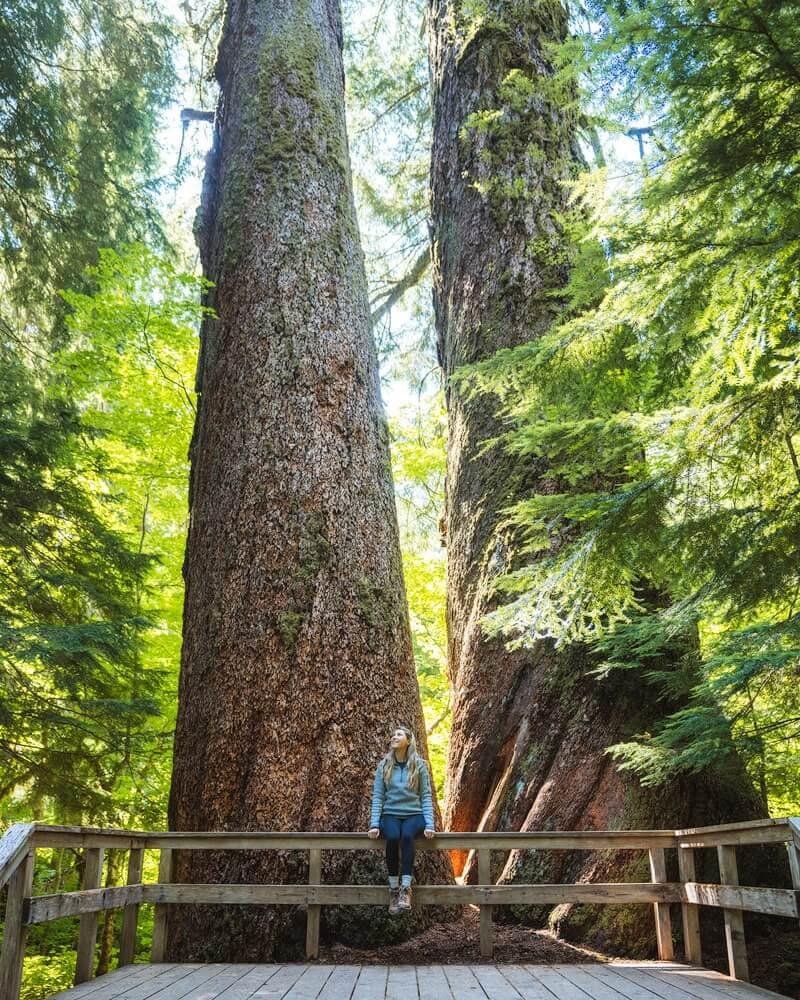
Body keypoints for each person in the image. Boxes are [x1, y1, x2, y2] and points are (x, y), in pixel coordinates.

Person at [368, 725, 435, 914]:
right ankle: (393, 889)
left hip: (414, 815)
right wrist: (374, 824)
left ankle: (406, 889)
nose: (394, 737)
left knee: (407, 836)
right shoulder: (384, 765)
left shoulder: (419, 765)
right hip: (390, 814)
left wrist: (430, 824)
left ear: (408, 741)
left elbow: (426, 796)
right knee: (393, 837)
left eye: (399, 734)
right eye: (393, 734)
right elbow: (378, 796)